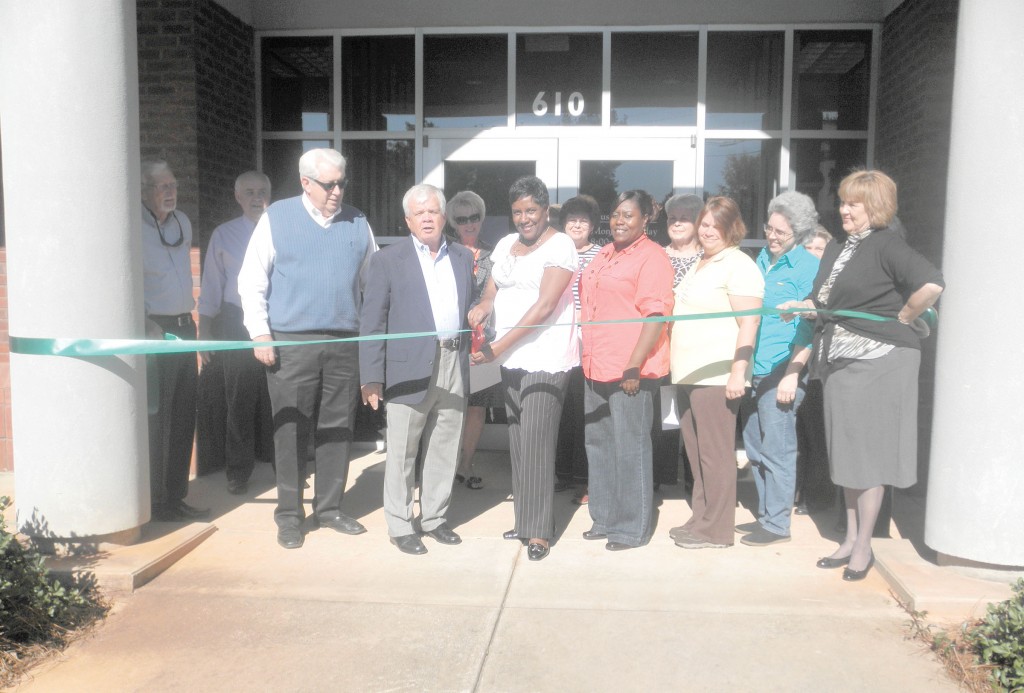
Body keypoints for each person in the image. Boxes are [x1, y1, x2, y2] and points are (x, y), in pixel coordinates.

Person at [779, 170, 943, 580]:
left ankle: (864, 546)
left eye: (854, 203)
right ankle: (851, 538)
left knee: (868, 457)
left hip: (880, 362)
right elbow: (823, 301)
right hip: (840, 362)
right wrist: (801, 306)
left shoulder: (886, 244)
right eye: (843, 202)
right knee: (849, 456)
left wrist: (904, 316)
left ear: (876, 207)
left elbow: (932, 284)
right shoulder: (838, 248)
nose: (844, 210)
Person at [237, 148, 378, 550]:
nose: (337, 191)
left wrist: (370, 340)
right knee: (290, 430)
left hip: (344, 342)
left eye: (342, 183)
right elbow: (251, 280)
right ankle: (289, 515)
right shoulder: (277, 218)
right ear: (305, 182)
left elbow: (371, 284)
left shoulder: (357, 222)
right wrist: (260, 333)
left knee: (338, 427)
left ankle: (329, 508)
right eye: (329, 184)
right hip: (291, 343)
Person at [360, 184, 473, 556]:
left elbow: (468, 310)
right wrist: (371, 376)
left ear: (444, 217)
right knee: (402, 452)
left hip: (453, 361)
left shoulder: (461, 257)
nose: (427, 218)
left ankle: (435, 519)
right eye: (419, 213)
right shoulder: (387, 260)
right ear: (408, 221)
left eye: (433, 211)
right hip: (407, 368)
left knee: (445, 446)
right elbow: (372, 322)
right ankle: (400, 525)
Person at [469, 176, 578, 562]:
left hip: (545, 358)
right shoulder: (505, 245)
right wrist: (483, 307)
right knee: (517, 439)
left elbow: (545, 306)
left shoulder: (561, 245)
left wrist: (497, 348)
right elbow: (493, 288)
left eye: (531, 210)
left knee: (536, 442)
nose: (524, 218)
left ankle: (540, 531)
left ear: (546, 210)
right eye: (517, 212)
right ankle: (524, 520)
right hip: (511, 359)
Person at [579, 190, 674, 550]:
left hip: (629, 371)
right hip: (596, 365)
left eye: (628, 215)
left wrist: (633, 365)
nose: (619, 221)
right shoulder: (605, 253)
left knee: (630, 447)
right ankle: (604, 517)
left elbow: (656, 316)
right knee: (599, 444)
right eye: (616, 214)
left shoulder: (653, 257)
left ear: (646, 219)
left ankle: (631, 528)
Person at [669, 196, 764, 549]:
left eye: (716, 226)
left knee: (715, 454)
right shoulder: (701, 262)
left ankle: (717, 531)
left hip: (716, 375)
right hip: (688, 372)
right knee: (696, 454)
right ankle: (701, 518)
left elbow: (749, 323)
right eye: (704, 224)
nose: (708, 231)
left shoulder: (738, 264)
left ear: (732, 228)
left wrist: (738, 371)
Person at [735, 191, 820, 546]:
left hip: (782, 369)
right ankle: (767, 514)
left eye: (780, 232)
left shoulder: (808, 267)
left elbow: (811, 326)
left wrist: (792, 374)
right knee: (754, 448)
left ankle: (777, 525)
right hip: (754, 367)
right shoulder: (761, 261)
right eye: (769, 228)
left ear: (798, 233)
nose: (771, 236)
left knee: (778, 449)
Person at [141, 159, 209, 523]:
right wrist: (143, 322)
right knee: (159, 418)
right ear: (144, 190)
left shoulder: (182, 221)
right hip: (156, 330)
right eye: (162, 186)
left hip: (185, 327)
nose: (170, 192)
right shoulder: (133, 225)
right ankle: (156, 500)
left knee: (183, 414)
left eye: (173, 185)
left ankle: (176, 496)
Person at [198, 171, 274, 496]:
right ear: (238, 197)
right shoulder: (224, 234)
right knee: (239, 397)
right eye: (250, 193)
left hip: (277, 320)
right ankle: (238, 471)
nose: (257, 198)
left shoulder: (282, 230)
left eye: (262, 192)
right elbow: (211, 287)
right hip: (235, 321)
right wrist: (204, 331)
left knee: (277, 396)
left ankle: (282, 465)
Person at [447, 190, 500, 491]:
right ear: (453, 223)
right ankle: (443, 467)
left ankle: (466, 465)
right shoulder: (444, 251)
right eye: (461, 219)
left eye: (474, 217)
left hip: (484, 339)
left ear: (482, 218)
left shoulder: (496, 254)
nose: (469, 223)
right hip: (449, 340)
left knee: (477, 406)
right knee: (449, 405)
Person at [653, 193, 705, 491]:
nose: (676, 223)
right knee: (666, 414)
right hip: (661, 348)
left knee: (694, 415)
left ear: (698, 222)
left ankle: (694, 480)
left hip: (697, 350)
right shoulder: (657, 256)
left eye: (684, 218)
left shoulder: (709, 259)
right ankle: (662, 476)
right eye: (672, 218)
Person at [554, 194, 602, 503]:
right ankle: (562, 473)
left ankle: (585, 480)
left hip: (589, 341)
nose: (577, 224)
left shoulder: (602, 254)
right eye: (572, 219)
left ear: (593, 225)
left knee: (585, 410)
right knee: (561, 409)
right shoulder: (554, 252)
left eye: (583, 220)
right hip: (557, 339)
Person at [794, 223, 836, 516]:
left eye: (819, 249)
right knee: (799, 434)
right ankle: (798, 492)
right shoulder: (798, 279)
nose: (812, 253)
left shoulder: (832, 282)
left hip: (823, 367)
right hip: (795, 364)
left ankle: (816, 498)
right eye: (807, 248)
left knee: (818, 433)